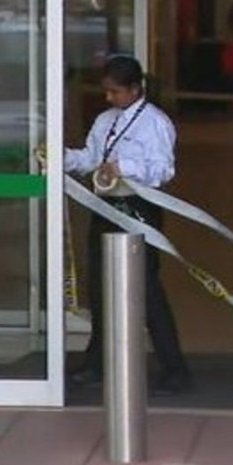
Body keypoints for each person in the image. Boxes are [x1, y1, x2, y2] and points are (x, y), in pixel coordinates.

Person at [65, 55, 191, 396]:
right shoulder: (106, 120)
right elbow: (90, 158)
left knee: (146, 290)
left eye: (115, 92)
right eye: (106, 92)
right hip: (104, 206)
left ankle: (173, 367)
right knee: (100, 285)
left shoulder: (155, 123)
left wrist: (125, 167)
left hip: (140, 209)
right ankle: (97, 362)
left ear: (136, 89)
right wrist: (61, 158)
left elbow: (163, 170)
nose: (109, 98)